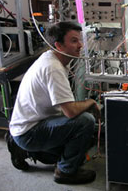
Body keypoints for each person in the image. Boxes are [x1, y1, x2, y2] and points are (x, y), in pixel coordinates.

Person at [6, 21, 101, 185]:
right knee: (86, 121)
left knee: (84, 143)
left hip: (32, 124)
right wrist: (91, 102)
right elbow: (70, 112)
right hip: (29, 131)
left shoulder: (51, 57)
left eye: (79, 40)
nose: (80, 45)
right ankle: (65, 172)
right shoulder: (53, 68)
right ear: (58, 45)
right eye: (73, 41)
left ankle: (24, 150)